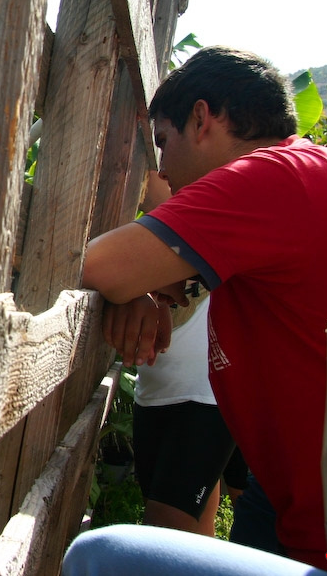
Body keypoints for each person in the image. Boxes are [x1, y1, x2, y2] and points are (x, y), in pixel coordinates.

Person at [66, 46, 327, 573]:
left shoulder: (272, 176)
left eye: (164, 142)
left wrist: (131, 284)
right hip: (298, 506)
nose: (163, 169)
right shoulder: (310, 172)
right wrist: (147, 290)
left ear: (202, 119)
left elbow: (93, 265)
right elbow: (143, 276)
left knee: (101, 556)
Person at [131, 172, 237, 537]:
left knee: (166, 528)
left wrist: (149, 288)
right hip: (155, 389)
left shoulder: (215, 204)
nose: (165, 165)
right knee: (186, 524)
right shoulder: (161, 216)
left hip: (205, 393)